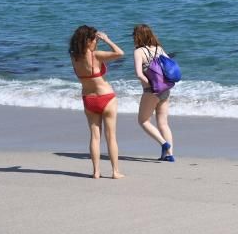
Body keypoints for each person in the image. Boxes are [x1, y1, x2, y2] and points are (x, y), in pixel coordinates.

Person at [69, 26, 125, 179]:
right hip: (106, 98)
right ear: (88, 41)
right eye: (94, 40)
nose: (96, 43)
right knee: (111, 136)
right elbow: (120, 53)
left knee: (95, 136)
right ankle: (115, 172)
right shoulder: (96, 55)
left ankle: (96, 172)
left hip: (89, 99)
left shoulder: (74, 57)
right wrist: (107, 39)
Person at [132, 23, 175, 162]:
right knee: (163, 122)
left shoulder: (139, 52)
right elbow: (170, 66)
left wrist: (149, 85)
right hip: (165, 89)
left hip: (151, 91)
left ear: (137, 37)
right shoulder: (159, 48)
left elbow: (139, 74)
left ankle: (164, 144)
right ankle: (169, 155)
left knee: (143, 121)